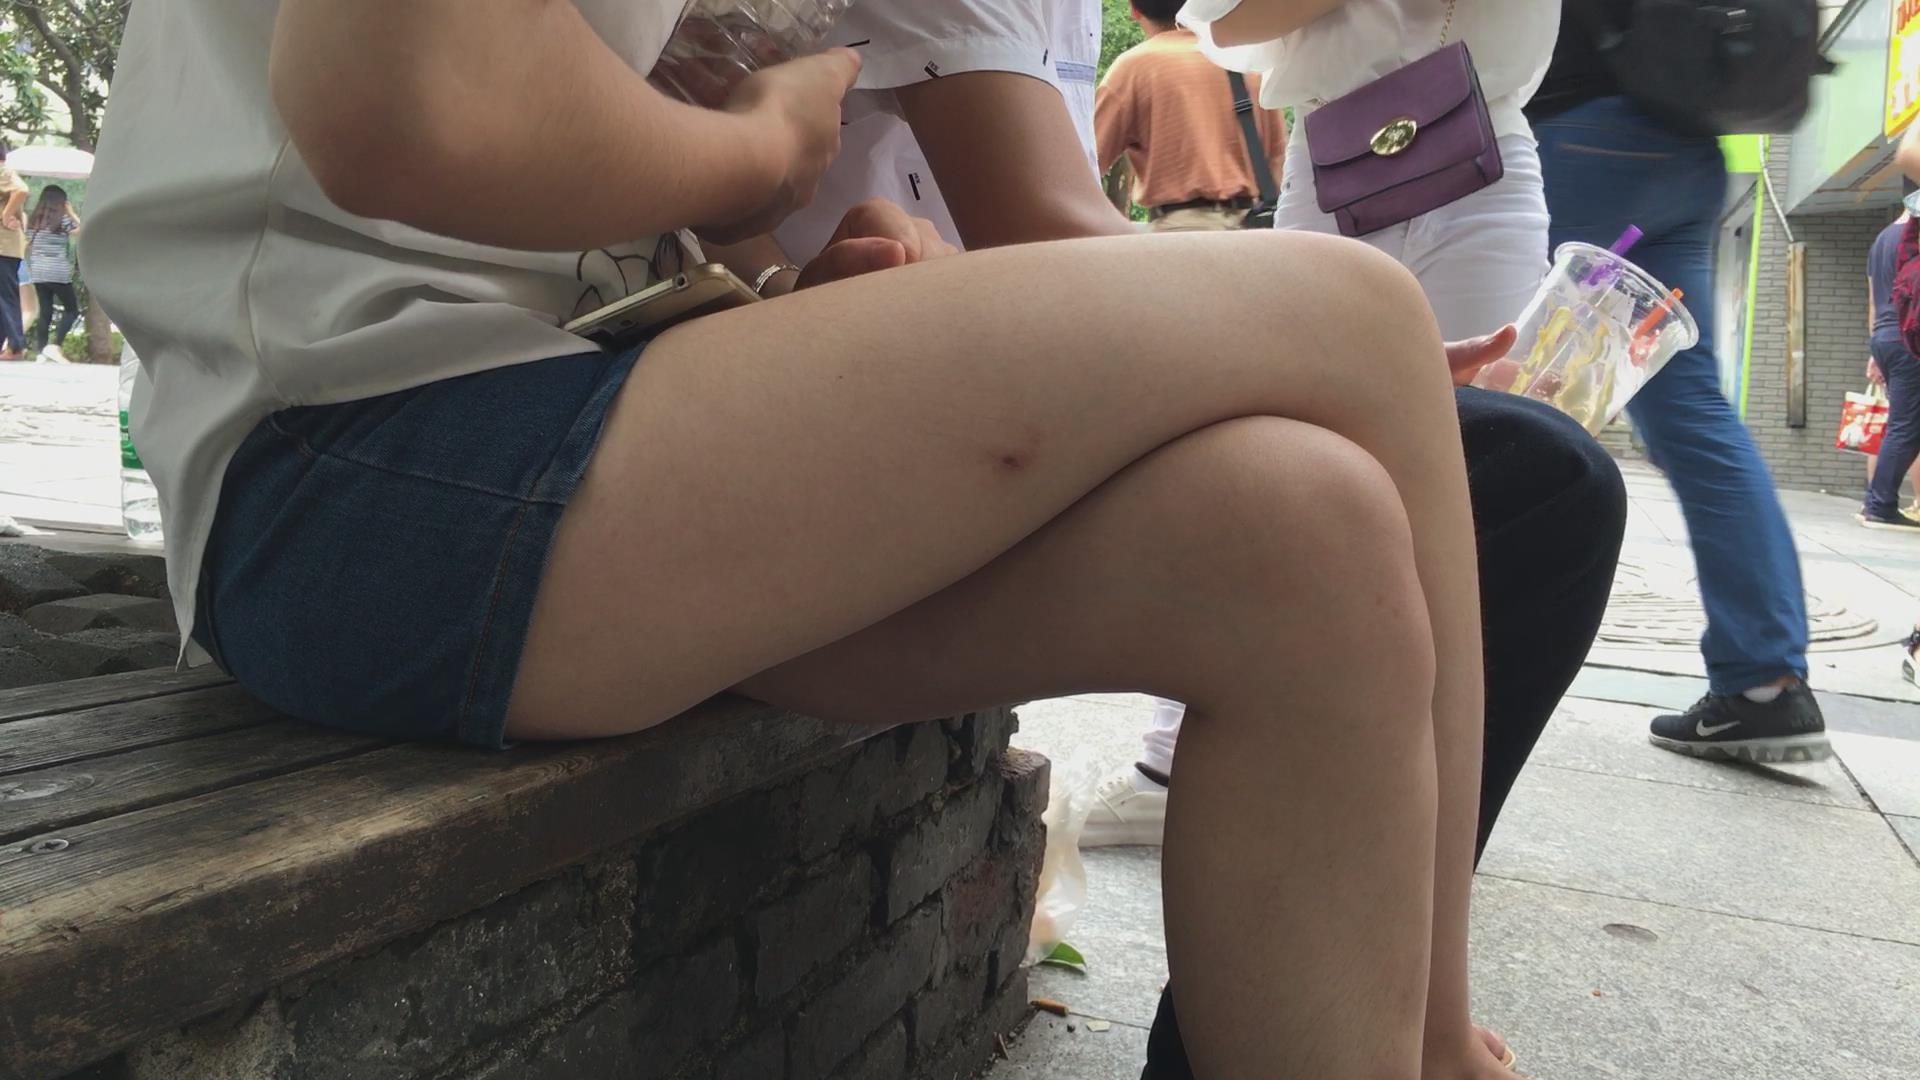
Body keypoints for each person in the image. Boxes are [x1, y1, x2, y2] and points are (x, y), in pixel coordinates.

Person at [86, 3, 1535, 1076]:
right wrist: (754, 153)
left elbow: (560, 185)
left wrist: (773, 291)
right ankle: (1433, 1049)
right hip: (350, 460)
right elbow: (400, 99)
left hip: (546, 424)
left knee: (1299, 536)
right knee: (1358, 316)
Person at [735, 3, 1619, 1072]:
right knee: (1385, 485)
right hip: (919, 395)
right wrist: (1320, 334)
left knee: (1523, 474)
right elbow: (1039, 220)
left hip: (989, 366)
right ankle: (1419, 1030)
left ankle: (1384, 1017)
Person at [1093, 0, 1562, 841]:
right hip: (1334, 158)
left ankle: (1428, 804)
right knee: (1273, 458)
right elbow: (1229, 22)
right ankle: (1171, 763)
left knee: (1478, 470)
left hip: (1483, 147)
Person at [1531, 3, 1830, 763]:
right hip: (1687, 156)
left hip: (1575, 137)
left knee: (1498, 371)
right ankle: (1765, 683)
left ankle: (1432, 644)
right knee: (1694, 415)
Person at [1094, 0, 1287, 233]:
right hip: (1256, 228)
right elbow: (1278, 160)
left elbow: (1089, 160)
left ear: (1133, 10)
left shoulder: (1133, 69)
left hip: (1182, 231)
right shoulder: (1247, 62)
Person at [24, 184, 81, 362]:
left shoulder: (34, 220)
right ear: (62, 202)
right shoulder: (62, 220)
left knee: (45, 311)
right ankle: (55, 346)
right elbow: (82, 230)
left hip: (38, 272)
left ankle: (41, 351)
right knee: (72, 310)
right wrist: (71, 212)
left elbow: (27, 243)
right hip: (57, 271)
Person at [0, 141, 30, 361]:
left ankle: (16, 346)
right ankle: (10, 345)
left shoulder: (3, 171)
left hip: (4, 245)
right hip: (7, 245)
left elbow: (22, 189)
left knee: (5, 295)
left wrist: (6, 215)